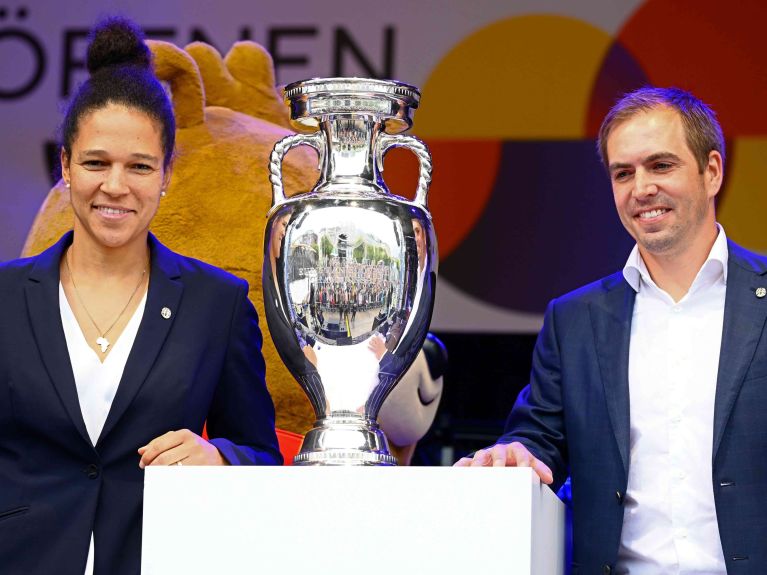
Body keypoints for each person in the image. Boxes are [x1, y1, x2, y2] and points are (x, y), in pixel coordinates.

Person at [0, 17, 281, 575]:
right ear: (65, 166)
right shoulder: (6, 296)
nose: (115, 186)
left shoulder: (217, 304)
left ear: (167, 175)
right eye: (96, 163)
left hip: (159, 558)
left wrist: (220, 456)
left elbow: (262, 455)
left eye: (140, 167)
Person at [456, 87, 767, 574]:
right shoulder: (573, 319)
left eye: (661, 166)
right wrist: (516, 454)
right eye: (624, 173)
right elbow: (540, 439)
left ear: (712, 172)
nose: (641, 188)